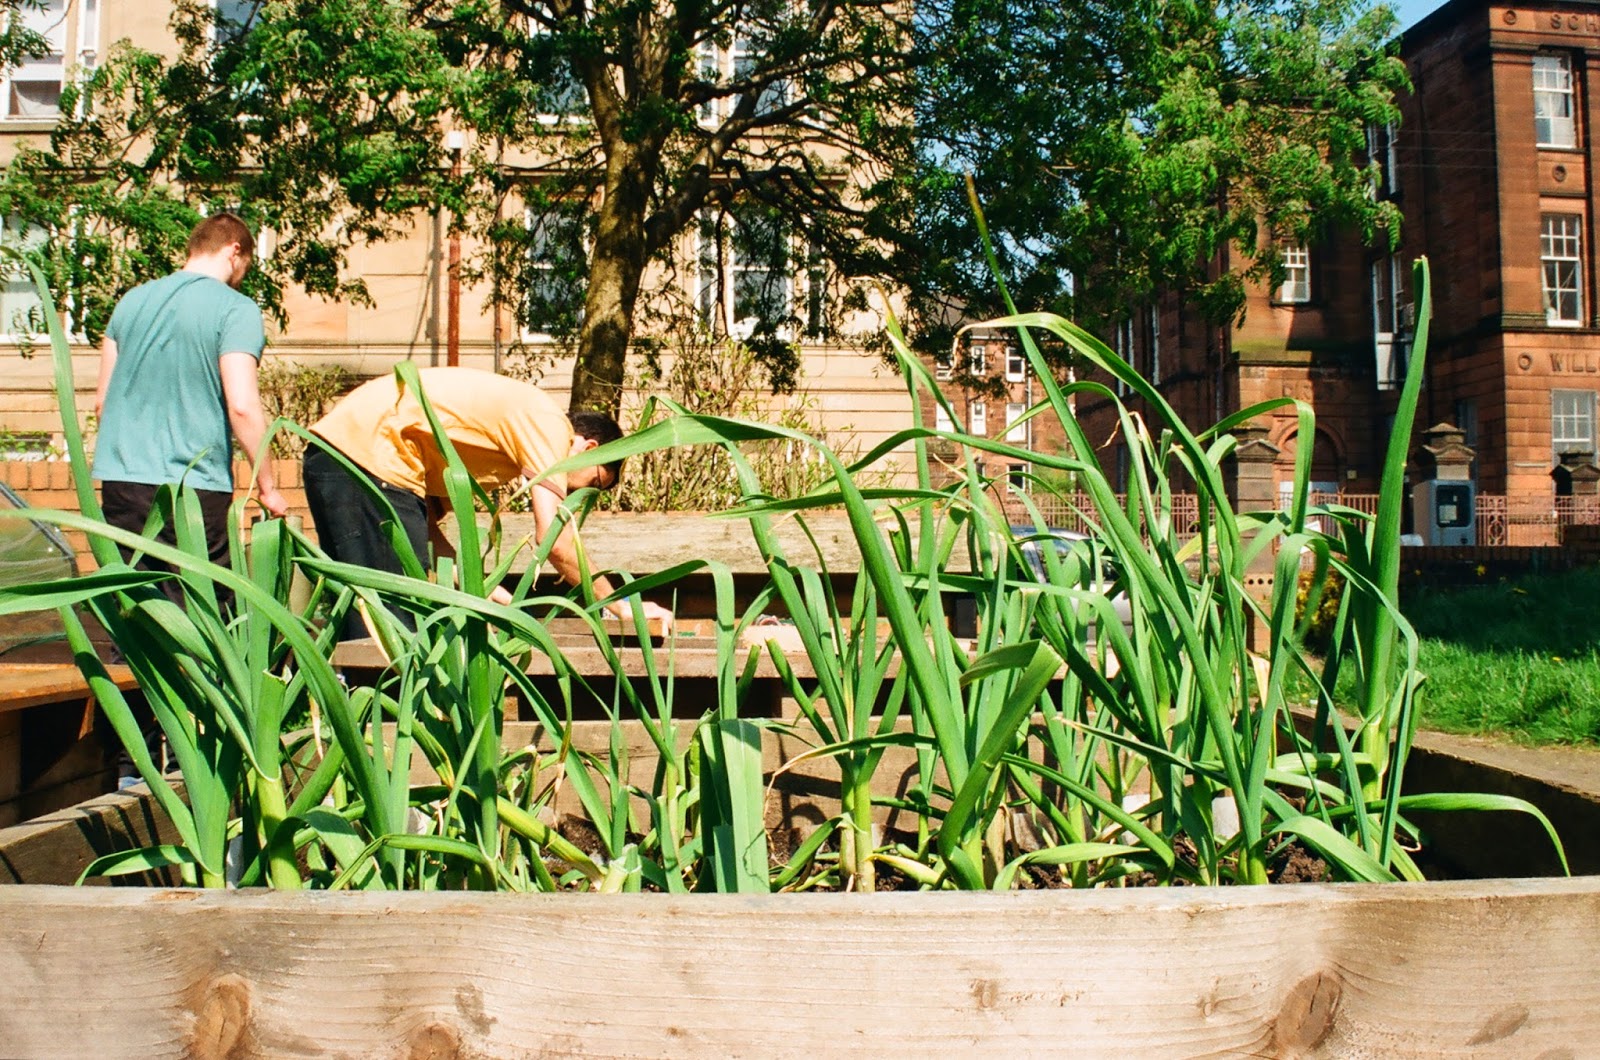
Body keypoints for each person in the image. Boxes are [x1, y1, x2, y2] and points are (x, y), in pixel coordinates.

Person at [303, 366, 673, 640]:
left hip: (336, 455)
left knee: (365, 613)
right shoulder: (550, 425)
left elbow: (428, 538)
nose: (575, 495)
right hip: (373, 457)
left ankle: (357, 727)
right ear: (587, 448)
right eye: (590, 482)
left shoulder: (493, 443)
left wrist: (489, 592)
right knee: (390, 625)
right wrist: (621, 605)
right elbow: (556, 543)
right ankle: (379, 736)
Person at [93, 212, 288, 592]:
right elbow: (243, 406)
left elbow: (103, 403)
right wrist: (267, 487)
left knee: (136, 612)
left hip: (123, 485)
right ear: (235, 251)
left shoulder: (129, 303)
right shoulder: (236, 309)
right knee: (201, 614)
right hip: (192, 488)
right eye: (246, 265)